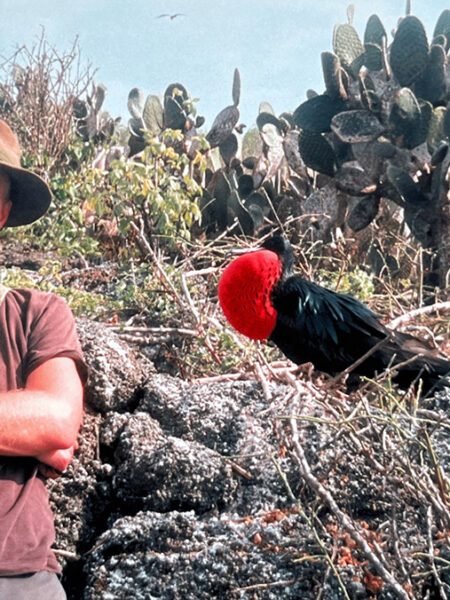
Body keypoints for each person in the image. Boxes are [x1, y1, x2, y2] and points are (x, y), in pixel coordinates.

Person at [0, 120, 87, 599]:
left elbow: (55, 422)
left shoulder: (39, 312)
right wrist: (17, 428)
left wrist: (38, 430)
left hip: (18, 575)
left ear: (4, 210)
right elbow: (38, 428)